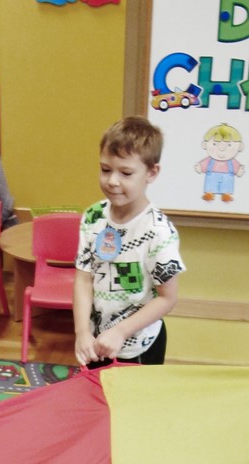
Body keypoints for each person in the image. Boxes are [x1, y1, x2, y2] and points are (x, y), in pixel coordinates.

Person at [74, 116, 185, 368]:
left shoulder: (159, 231)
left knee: (134, 396)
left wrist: (121, 331)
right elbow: (83, 278)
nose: (112, 180)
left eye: (125, 173)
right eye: (105, 169)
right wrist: (82, 331)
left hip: (139, 346)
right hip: (95, 342)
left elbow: (167, 298)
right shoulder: (92, 217)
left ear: (151, 173)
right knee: (96, 392)